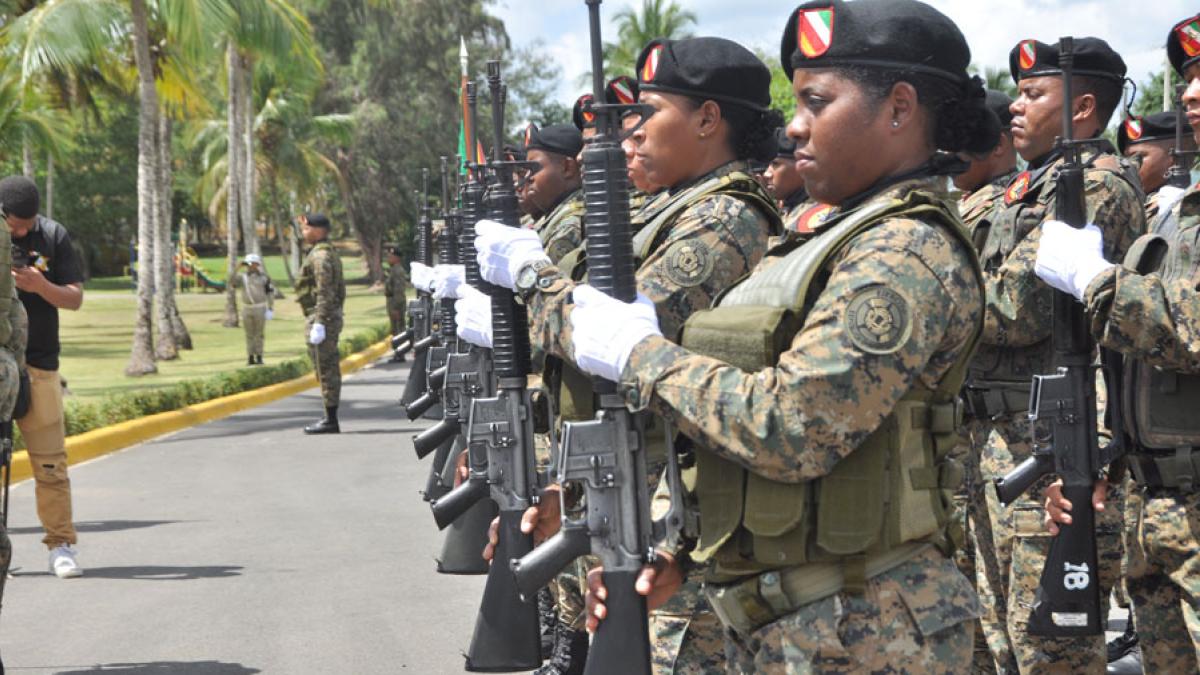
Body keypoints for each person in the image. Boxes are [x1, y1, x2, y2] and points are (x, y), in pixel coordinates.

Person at [463, 34, 782, 674]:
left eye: (649, 110)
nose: (632, 129)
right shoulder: (670, 211)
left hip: (679, 494)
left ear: (708, 119)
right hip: (642, 478)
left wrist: (529, 278)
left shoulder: (725, 218)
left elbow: (614, 341)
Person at [963, 36, 1144, 674]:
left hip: (1058, 438)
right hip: (1004, 437)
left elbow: (1018, 306)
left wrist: (930, 300)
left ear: (1084, 108)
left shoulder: (1094, 186)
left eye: (1034, 94)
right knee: (1000, 636)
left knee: (1052, 648)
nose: (1015, 107)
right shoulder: (1028, 187)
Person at [1038, 14, 1200, 673]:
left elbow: (1188, 329)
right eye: (1188, 79)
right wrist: (1106, 443)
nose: (1190, 95)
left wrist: (1095, 277)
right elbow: (1134, 355)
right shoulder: (1179, 210)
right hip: (1155, 500)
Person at [0, 175, 84, 579]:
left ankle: (61, 545)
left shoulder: (53, 235)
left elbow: (75, 298)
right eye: (16, 224)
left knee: (50, 464)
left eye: (27, 224)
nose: (22, 232)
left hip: (41, 364)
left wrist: (40, 285)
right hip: (0, 365)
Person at [295, 212, 345, 435]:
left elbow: (325, 291)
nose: (303, 233)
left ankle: (330, 419)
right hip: (326, 316)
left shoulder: (320, 257)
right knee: (325, 367)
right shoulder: (325, 252)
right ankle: (329, 416)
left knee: (325, 369)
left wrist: (320, 322)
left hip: (322, 317)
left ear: (318, 230)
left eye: (306, 228)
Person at [1117, 111, 1196, 235]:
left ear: (1175, 157)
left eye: (1138, 157)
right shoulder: (1131, 203)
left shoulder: (1187, 209)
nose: (1129, 166)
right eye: (1126, 159)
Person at [522, 123, 586, 265]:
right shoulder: (557, 215)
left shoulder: (571, 222)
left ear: (567, 168)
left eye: (534, 168)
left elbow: (546, 282)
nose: (528, 177)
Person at [762, 126, 813, 234]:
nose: (767, 174)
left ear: (801, 166)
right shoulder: (787, 208)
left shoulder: (815, 216)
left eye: (775, 164)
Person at [231, 253, 274, 366]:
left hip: (260, 307)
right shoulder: (242, 276)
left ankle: (259, 356)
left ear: (257, 264)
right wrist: (237, 268)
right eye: (248, 264)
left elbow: (269, 293)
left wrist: (270, 308)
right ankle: (250, 357)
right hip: (247, 308)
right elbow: (231, 282)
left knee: (259, 334)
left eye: (252, 263)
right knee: (249, 334)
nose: (250, 266)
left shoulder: (264, 277)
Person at [383, 246, 408, 362]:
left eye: (391, 256)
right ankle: (398, 353)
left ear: (397, 258)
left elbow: (398, 290)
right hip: (392, 303)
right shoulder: (393, 269)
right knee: (396, 330)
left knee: (399, 330)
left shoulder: (397, 271)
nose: (388, 258)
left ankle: (400, 354)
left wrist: (396, 308)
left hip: (396, 304)